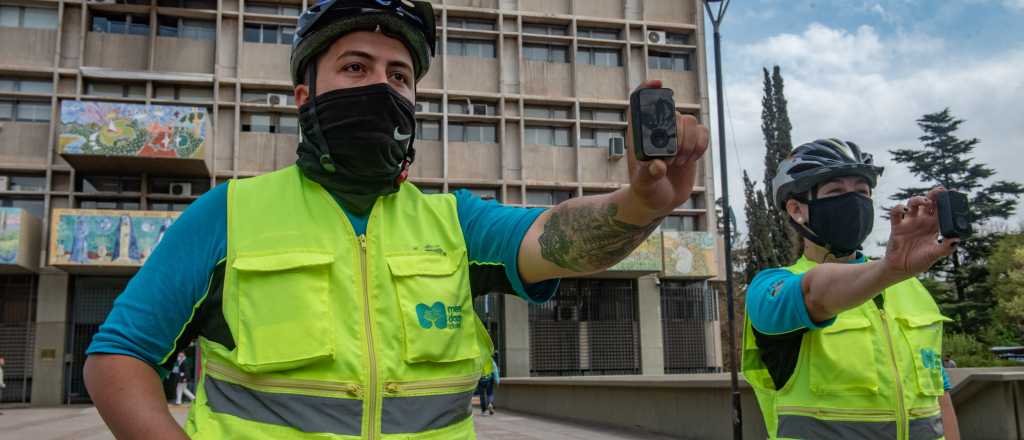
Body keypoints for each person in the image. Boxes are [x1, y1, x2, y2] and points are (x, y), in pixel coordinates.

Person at [82, 1, 710, 438]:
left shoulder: (454, 222)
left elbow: (556, 238)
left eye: (399, 75)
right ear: (305, 97)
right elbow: (117, 357)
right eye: (355, 67)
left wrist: (637, 207)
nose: (381, 86)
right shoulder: (228, 213)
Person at [742, 139, 962, 439]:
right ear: (796, 209)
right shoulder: (769, 288)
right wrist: (889, 269)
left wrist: (893, 271)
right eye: (836, 192)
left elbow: (939, 396)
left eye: (861, 192)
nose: (854, 202)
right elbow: (814, 294)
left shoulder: (911, 287)